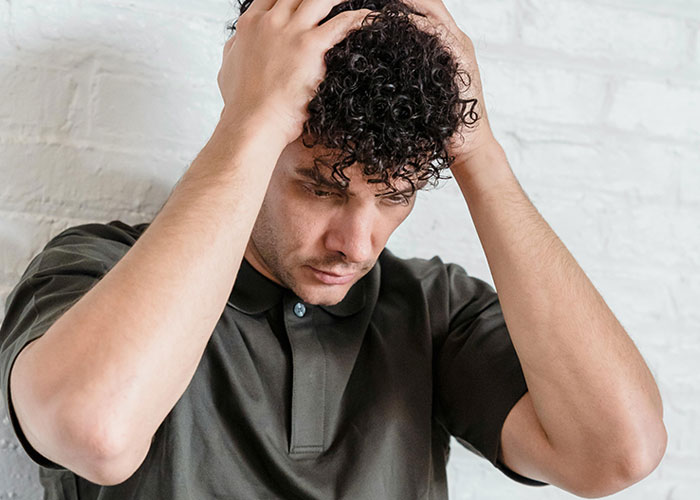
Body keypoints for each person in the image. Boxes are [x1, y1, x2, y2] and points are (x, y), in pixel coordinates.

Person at [0, 0, 666, 498]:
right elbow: (94, 434)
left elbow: (616, 453)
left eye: (396, 195)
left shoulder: (433, 310)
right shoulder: (99, 271)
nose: (356, 244)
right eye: (319, 188)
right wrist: (249, 121)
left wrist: (477, 147)